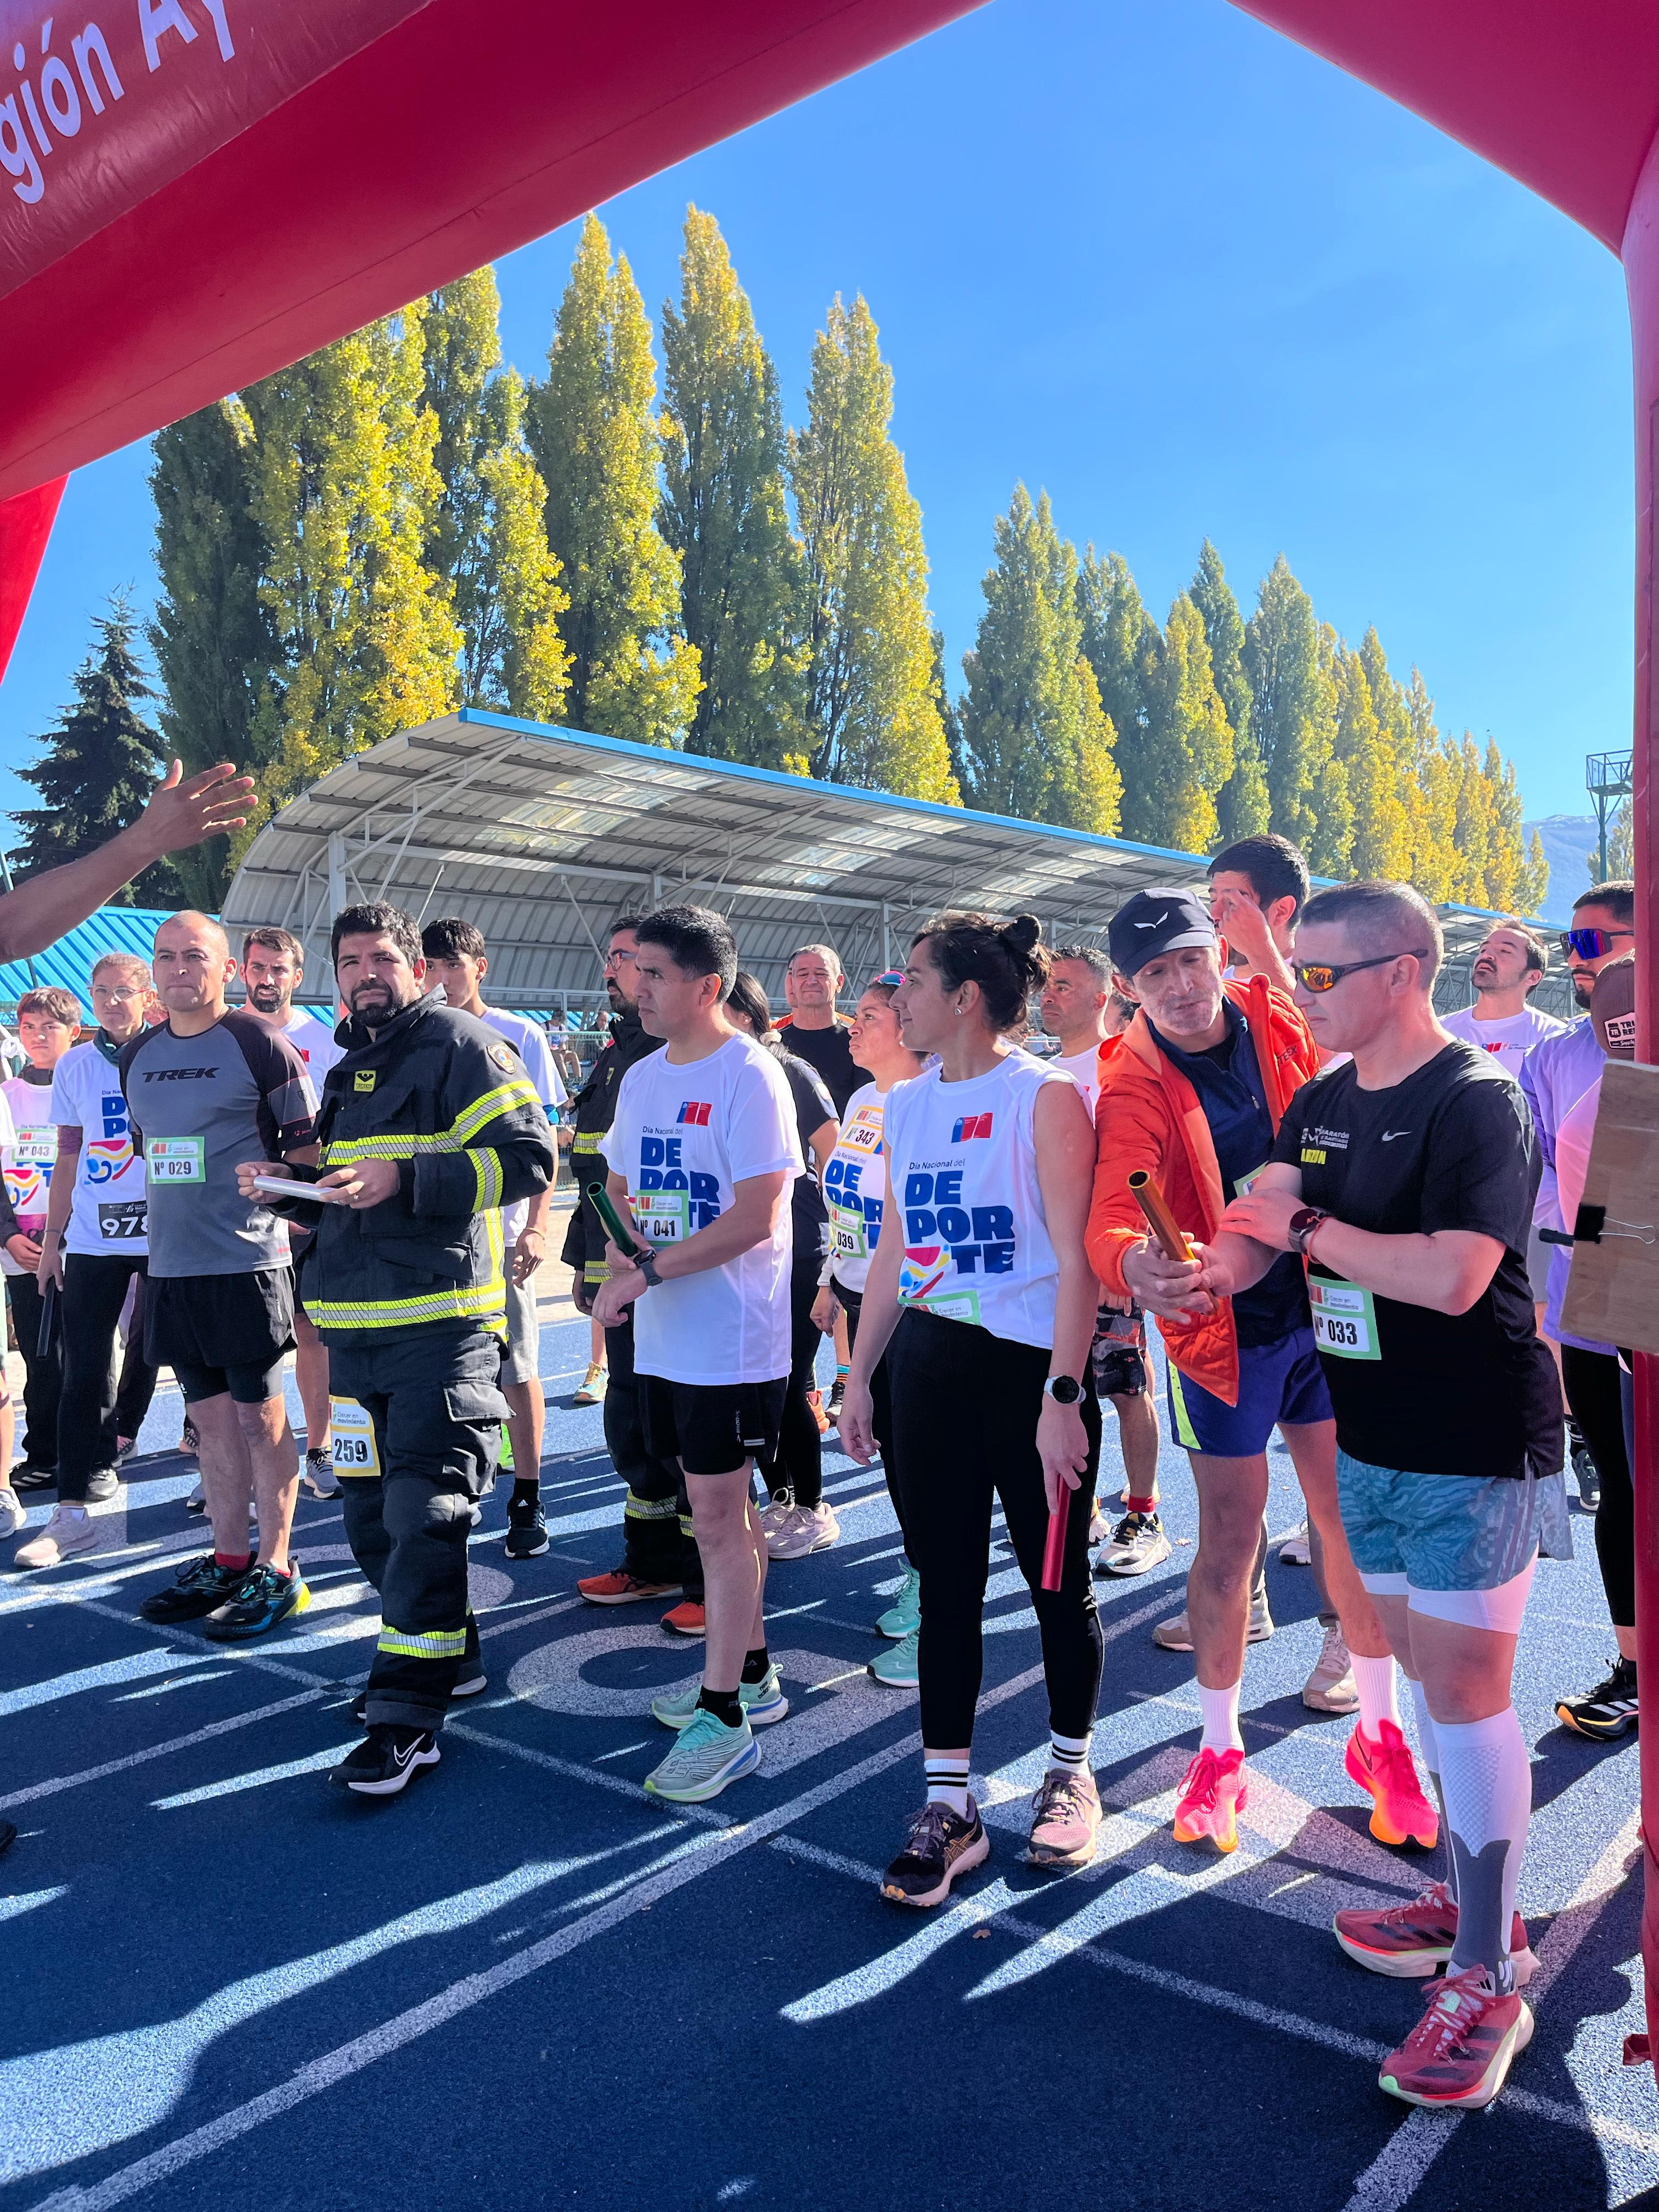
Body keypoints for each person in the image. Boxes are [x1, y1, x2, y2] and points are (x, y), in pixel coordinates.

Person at [1184, 879, 1562, 2110]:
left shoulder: (1477, 1099)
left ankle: (1490, 1973)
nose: (1296, 991)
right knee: (1427, 1681)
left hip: (1472, 1440)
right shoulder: (1323, 1097)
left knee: (1464, 1692)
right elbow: (1259, 1216)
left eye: (1320, 972)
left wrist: (1302, 1233)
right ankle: (1470, 1900)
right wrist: (1202, 1272)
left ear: (1401, 972)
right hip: (1374, 1440)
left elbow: (1454, 1276)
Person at [1088, 888, 1424, 1853]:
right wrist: (1134, 1264)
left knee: (1346, 1518)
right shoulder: (1130, 1078)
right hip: (1220, 1333)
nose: (1179, 986)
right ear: (1129, 987)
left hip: (1327, 1310)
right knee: (1231, 1538)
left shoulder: (1277, 1010)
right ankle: (1218, 1751)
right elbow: (1113, 1208)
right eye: (1154, 973)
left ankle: (1380, 1734)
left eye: (1190, 960)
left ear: (1219, 954)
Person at [241, 901, 556, 1796]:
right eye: (350, 962)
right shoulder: (349, 1066)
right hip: (353, 1344)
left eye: (382, 957)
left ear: (415, 968)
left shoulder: (462, 1044)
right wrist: (288, 1190)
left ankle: (405, 1717)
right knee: (374, 1525)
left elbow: (529, 1159)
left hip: (440, 1337)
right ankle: (451, 1657)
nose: (365, 974)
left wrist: (407, 1176)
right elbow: (354, 1199)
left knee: (425, 1518)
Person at [842, 913, 1104, 1903]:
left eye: (912, 980)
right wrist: (861, 1374)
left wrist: (1063, 1397)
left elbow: (1078, 1262)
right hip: (928, 1369)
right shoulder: (904, 1104)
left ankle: (1069, 1772)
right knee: (944, 1588)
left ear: (963, 998)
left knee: (1056, 1585)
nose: (895, 997)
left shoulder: (1043, 1095)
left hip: (1031, 1376)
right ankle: (948, 1805)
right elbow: (893, 1249)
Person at [593, 905, 800, 1805]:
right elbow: (615, 1183)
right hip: (666, 1333)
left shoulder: (751, 1074)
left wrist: (646, 1270)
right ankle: (750, 1673)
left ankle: (724, 1716)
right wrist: (619, 1247)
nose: (635, 988)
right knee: (713, 1512)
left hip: (731, 1339)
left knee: (717, 1519)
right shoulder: (642, 1076)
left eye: (654, 975)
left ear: (707, 986)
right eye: (632, 971)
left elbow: (757, 1216)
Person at [71, 917, 316, 1635]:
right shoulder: (137, 1056)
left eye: (195, 956)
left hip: (247, 1264)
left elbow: (309, 1155)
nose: (180, 968)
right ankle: (230, 1558)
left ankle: (279, 1568)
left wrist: (279, 1179)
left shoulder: (260, 1044)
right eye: (167, 957)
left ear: (227, 969)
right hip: (172, 1267)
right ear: (155, 971)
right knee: (209, 1425)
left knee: (260, 1419)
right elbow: (151, 1151)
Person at [1519, 883, 1639, 1733]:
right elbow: (1540, 1185)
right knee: (1623, 1488)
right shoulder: (1556, 1058)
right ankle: (1634, 1668)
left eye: (1594, 943)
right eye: (1571, 942)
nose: (1575, 958)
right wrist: (1581, 1244)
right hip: (1592, 1306)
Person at [420, 918, 567, 1559]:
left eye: (453, 964)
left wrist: (535, 1226)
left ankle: (528, 1496)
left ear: (481, 967)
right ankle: (451, 1491)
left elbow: (543, 1140)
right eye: (431, 965)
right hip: (432, 1242)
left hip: (500, 1242)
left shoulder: (520, 1035)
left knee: (518, 1366)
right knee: (440, 1373)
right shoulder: (410, 1036)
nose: (441, 978)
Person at [13, 960, 160, 1570]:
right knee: (83, 1367)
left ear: (147, 997)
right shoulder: (74, 1064)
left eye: (123, 992)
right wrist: (53, 1241)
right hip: (95, 1238)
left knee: (189, 1356)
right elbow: (68, 1157)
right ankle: (71, 1510)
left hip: (167, 1233)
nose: (111, 1002)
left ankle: (216, 1479)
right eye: (101, 992)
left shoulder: (169, 1048)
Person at [567, 917, 691, 1618]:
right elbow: (596, 1175)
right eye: (616, 958)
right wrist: (587, 1265)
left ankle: (703, 1575)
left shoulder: (674, 1056)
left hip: (673, 1277)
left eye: (634, 960)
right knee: (633, 1424)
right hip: (617, 1268)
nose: (620, 972)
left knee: (681, 1429)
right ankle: (650, 1562)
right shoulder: (620, 1056)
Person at [811, 970, 926, 1684]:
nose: (854, 1027)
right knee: (893, 1453)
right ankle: (921, 1568)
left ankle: (936, 1589)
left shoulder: (928, 1099)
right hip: (861, 1297)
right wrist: (831, 1279)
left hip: (917, 1305)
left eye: (872, 1016)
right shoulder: (860, 1099)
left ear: (909, 1025)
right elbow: (847, 1206)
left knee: (922, 1455)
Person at [1039, 948, 1167, 1576]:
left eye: (1064, 986)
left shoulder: (1125, 1067)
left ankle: (1144, 1513)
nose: (1049, 995)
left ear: (1101, 998)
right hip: (1050, 1269)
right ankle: (1082, 1506)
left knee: (1126, 1389)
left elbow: (1145, 1167)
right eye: (1046, 985)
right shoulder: (1039, 1076)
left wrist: (1122, 1257)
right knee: (1065, 1388)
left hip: (1111, 1262)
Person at [722, 972, 840, 1559]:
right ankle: (783, 1497)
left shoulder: (790, 1071)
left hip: (798, 1248)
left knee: (790, 1380)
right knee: (758, 1381)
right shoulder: (719, 1073)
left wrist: (836, 1256)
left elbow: (835, 1157)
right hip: (741, 1251)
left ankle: (813, 1507)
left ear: (744, 1014)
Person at [241, 927, 346, 1500]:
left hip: (301, 1214)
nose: (268, 978)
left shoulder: (324, 1041)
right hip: (235, 1218)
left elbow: (333, 1131)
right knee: (242, 1344)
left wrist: (303, 1197)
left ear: (297, 977)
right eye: (259, 967)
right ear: (242, 971)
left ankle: (319, 1449)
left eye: (279, 969)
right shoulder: (223, 1034)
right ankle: (228, 1462)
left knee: (311, 1334)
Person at [0, 986, 81, 1492]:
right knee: (39, 1357)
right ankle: (45, 1454)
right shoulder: (7, 1095)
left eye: (49, 1027)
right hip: (22, 1253)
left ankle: (92, 1450)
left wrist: (66, 1235)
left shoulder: (85, 1085)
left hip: (82, 1247)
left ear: (73, 1032)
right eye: (28, 1027)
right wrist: (9, 1236)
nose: (37, 1037)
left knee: (86, 1356)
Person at [776, 943, 870, 1115]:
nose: (811, 981)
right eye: (803, 974)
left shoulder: (859, 1042)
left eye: (821, 974)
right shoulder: (774, 1045)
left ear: (839, 983)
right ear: (793, 983)